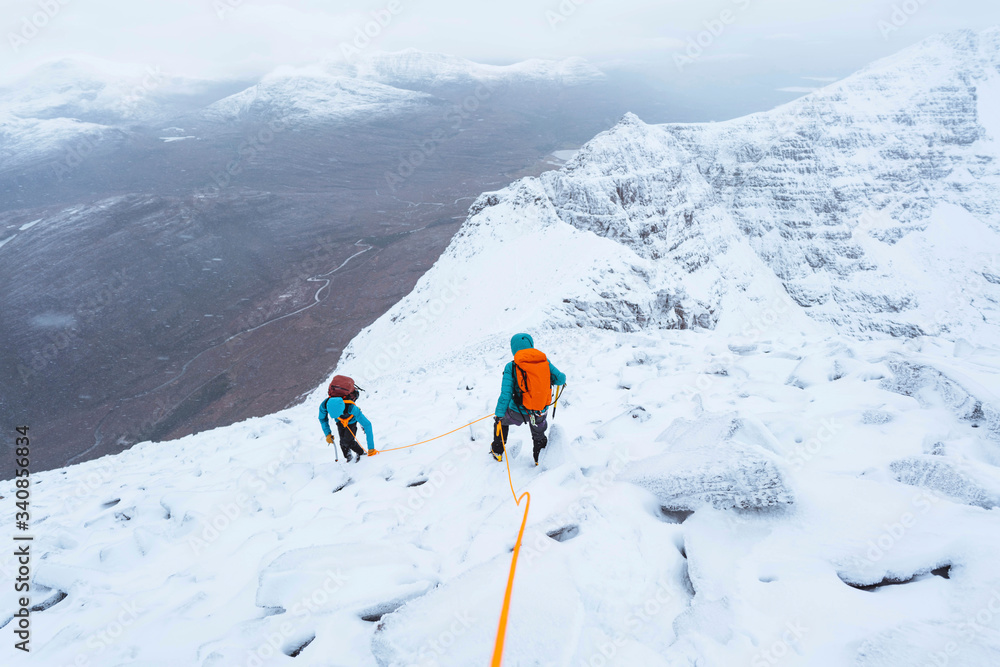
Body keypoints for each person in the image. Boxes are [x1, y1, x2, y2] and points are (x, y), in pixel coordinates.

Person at [491, 333, 567, 465]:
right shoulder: (545, 362)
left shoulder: (511, 366)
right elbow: (560, 379)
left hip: (517, 412)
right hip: (539, 411)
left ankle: (497, 451)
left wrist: (499, 415)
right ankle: (539, 459)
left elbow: (506, 394)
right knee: (539, 435)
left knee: (501, 422)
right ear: (531, 344)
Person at [319, 375, 376, 462]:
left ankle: (361, 454)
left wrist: (371, 448)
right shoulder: (324, 405)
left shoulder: (351, 408)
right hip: (339, 421)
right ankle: (348, 457)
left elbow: (367, 424)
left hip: (351, 420)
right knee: (342, 442)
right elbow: (322, 419)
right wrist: (327, 434)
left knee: (348, 441)